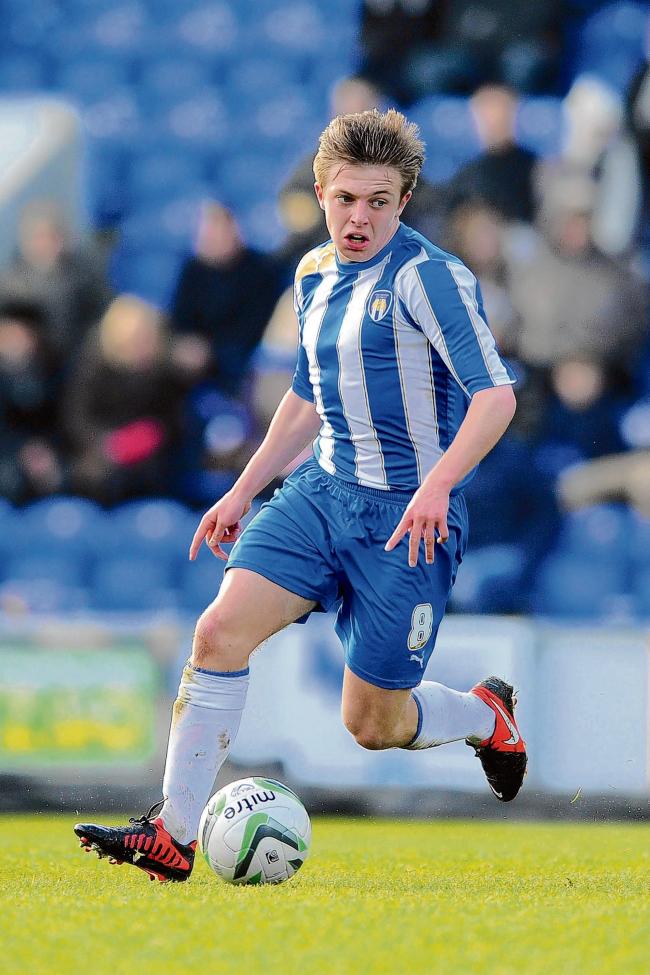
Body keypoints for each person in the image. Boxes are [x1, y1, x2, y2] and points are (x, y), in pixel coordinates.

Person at [74, 109, 527, 883]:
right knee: (217, 634)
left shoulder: (432, 278)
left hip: (407, 519)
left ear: (404, 201)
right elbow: (308, 398)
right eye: (348, 198)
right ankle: (173, 832)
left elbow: (496, 399)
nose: (361, 216)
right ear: (321, 192)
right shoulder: (312, 274)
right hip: (321, 491)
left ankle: (487, 715)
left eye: (380, 201)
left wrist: (437, 485)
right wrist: (244, 490)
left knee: (372, 723)